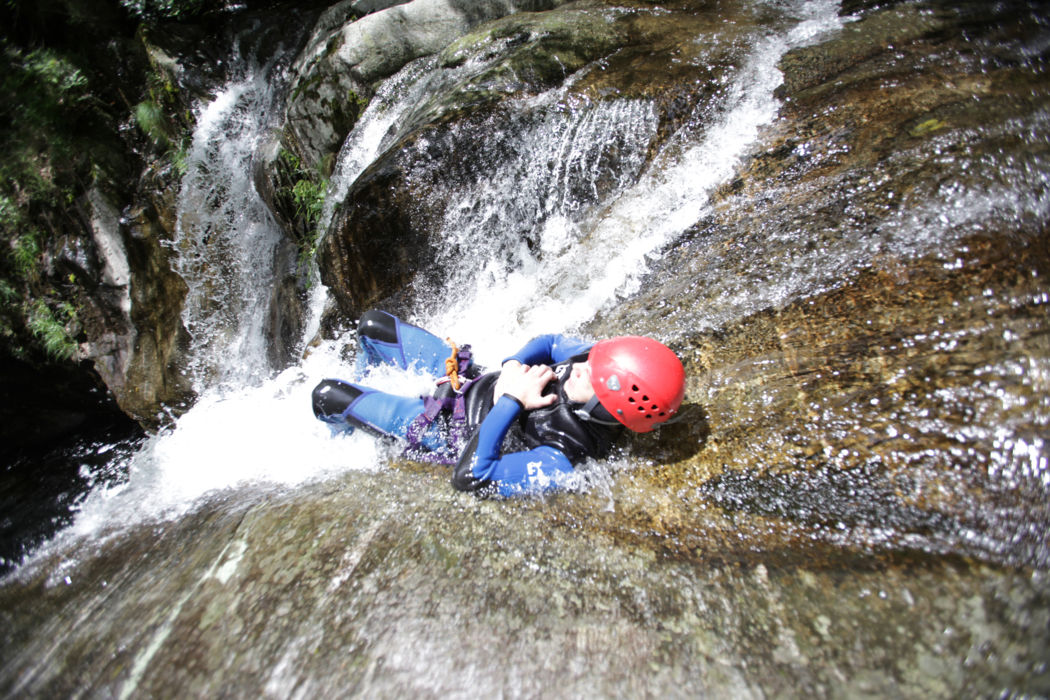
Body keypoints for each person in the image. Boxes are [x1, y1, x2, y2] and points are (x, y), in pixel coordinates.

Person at [312, 310, 686, 497]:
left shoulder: (563, 459)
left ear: (606, 410)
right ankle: (365, 384)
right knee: (371, 325)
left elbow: (471, 477)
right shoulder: (597, 364)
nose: (581, 366)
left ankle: (339, 441)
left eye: (593, 375)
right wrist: (510, 367)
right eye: (592, 361)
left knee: (327, 397)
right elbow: (551, 342)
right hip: (472, 379)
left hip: (447, 430)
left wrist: (512, 399)